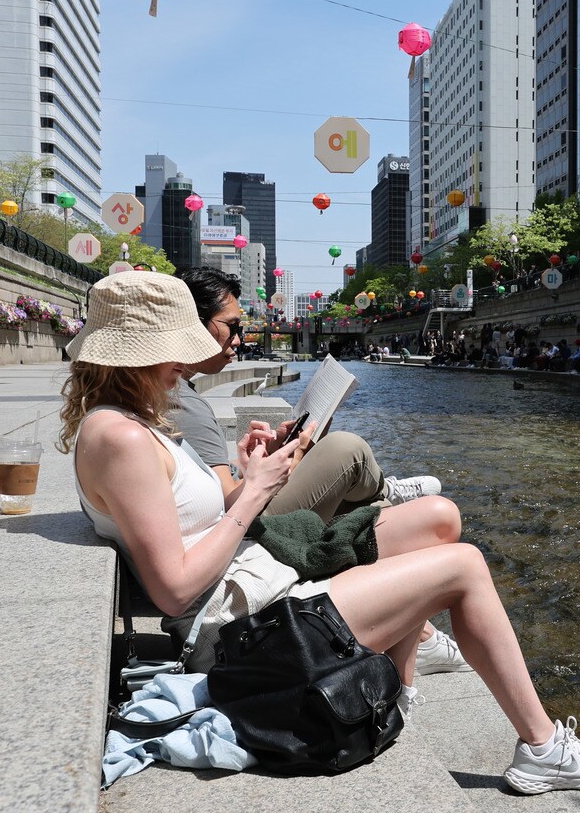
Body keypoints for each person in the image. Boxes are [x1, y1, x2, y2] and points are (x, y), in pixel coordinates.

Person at [64, 272, 580, 794]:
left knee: (431, 525)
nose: (185, 363)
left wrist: (246, 469)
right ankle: (543, 749)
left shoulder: (130, 423)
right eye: (177, 348)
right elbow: (175, 590)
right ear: (144, 354)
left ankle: (397, 693)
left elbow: (190, 521)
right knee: (465, 565)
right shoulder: (123, 438)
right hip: (232, 634)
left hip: (253, 589)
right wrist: (256, 489)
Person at [170, 270, 463, 675]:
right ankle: (383, 500)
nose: (240, 340)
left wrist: (266, 460)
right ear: (190, 324)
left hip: (230, 543)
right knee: (349, 450)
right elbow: (230, 505)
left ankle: (418, 621)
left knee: (396, 497)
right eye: (233, 327)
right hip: (239, 551)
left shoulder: (170, 397)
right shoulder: (181, 402)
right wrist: (297, 453)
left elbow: (215, 498)